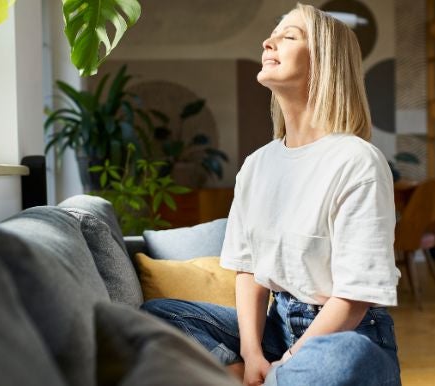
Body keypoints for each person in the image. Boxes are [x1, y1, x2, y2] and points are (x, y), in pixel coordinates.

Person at [141, 3, 401, 385]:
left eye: (288, 36)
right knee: (157, 314)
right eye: (272, 34)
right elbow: (249, 271)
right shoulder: (257, 164)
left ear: (323, 62)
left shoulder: (357, 161)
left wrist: (289, 362)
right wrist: (251, 355)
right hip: (276, 327)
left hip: (346, 331)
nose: (267, 42)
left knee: (348, 357)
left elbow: (353, 300)